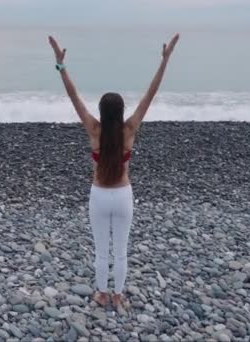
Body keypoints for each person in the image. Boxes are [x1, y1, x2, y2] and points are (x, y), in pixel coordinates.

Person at [48, 33, 179, 314]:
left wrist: (61, 65)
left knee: (100, 251)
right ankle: (118, 297)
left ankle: (102, 295)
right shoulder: (128, 130)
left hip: (99, 195)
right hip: (122, 196)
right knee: (120, 250)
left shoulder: (94, 130)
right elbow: (150, 94)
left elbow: (73, 97)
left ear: (101, 112)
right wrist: (165, 60)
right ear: (120, 112)